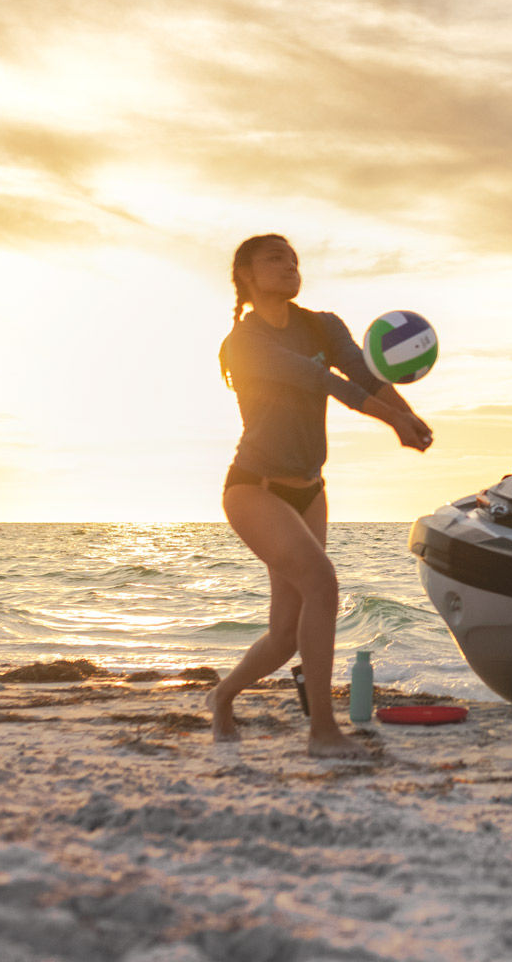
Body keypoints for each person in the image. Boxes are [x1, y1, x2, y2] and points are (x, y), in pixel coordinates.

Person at [207, 233, 434, 757]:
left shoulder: (323, 325)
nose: (289, 265)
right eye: (274, 259)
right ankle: (322, 734)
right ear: (245, 274)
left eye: (293, 259)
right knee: (323, 585)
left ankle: (222, 696)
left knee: (285, 633)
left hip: (310, 488)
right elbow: (322, 381)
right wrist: (396, 422)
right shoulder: (244, 341)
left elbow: (362, 373)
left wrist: (407, 413)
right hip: (254, 489)